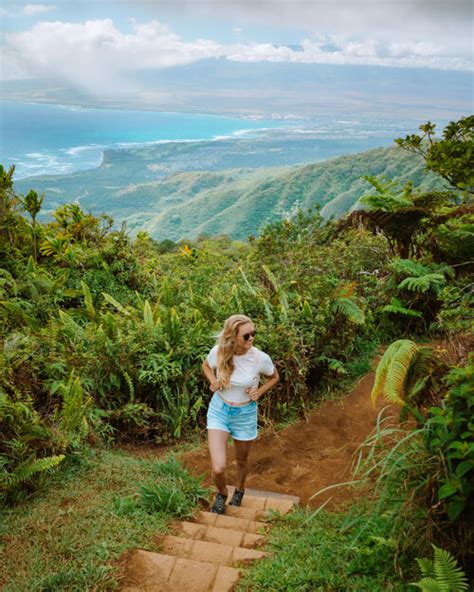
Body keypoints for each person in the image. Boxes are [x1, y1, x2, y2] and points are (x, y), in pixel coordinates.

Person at [202, 314, 279, 514]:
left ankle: (240, 489)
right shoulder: (218, 352)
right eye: (246, 336)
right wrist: (213, 380)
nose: (251, 338)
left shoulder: (259, 358)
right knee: (218, 467)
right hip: (220, 410)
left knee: (242, 460)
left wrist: (259, 392)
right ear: (233, 337)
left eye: (253, 333)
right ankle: (221, 494)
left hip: (244, 414)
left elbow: (274, 377)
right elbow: (205, 365)